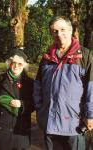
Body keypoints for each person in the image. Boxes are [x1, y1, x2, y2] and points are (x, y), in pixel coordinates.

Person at [33, 16, 93, 150]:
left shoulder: (85, 56)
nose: (59, 34)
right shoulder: (47, 57)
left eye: (62, 29)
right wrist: (40, 107)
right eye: (54, 31)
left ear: (71, 30)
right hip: (50, 121)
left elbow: (91, 88)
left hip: (74, 123)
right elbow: (38, 85)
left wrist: (90, 115)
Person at [0, 49, 34, 150]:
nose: (16, 66)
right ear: (9, 63)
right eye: (13, 63)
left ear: (24, 66)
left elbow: (35, 103)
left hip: (19, 127)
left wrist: (21, 104)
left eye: (20, 64)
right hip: (2, 125)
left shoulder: (30, 83)